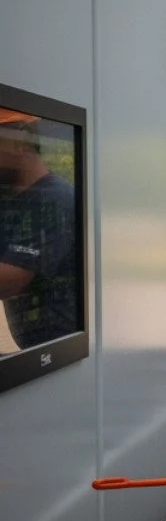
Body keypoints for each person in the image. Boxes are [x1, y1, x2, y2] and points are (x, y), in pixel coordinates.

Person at [0, 109, 78, 351]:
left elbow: (11, 281)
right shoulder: (12, 199)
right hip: (37, 352)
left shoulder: (52, 198)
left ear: (19, 142)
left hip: (64, 355)